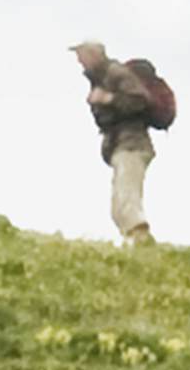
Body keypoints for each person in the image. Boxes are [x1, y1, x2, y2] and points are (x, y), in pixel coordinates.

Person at [75, 41, 174, 243]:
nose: (79, 61)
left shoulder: (115, 74)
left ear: (94, 54)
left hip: (133, 144)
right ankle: (134, 241)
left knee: (126, 195)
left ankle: (140, 237)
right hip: (121, 145)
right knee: (118, 204)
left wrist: (108, 99)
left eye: (81, 55)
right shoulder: (101, 78)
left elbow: (139, 101)